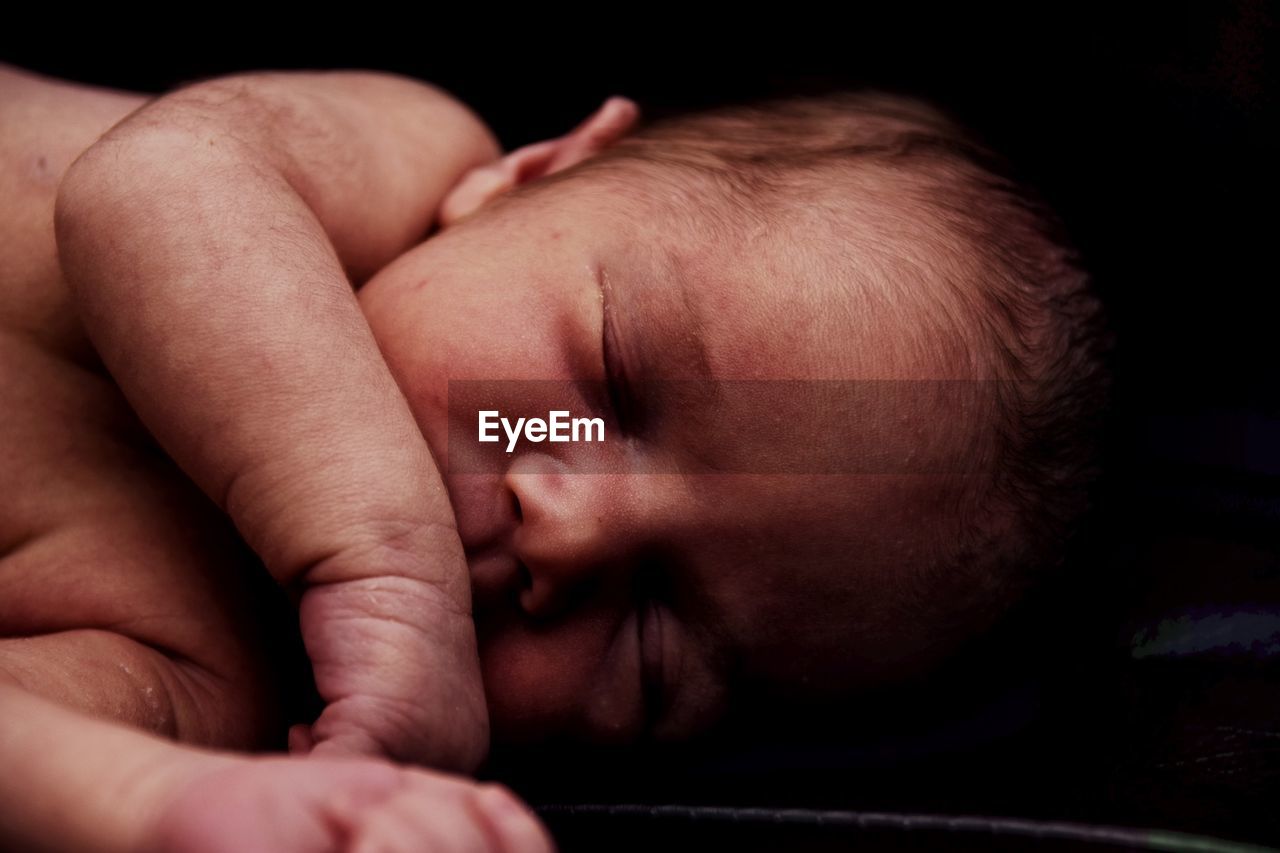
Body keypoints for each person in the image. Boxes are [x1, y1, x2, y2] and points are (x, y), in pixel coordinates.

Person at [0, 62, 1109, 852]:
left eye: (655, 647)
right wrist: (385, 570)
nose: (569, 534)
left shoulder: (200, 682)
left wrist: (158, 805)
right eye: (616, 386)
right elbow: (151, 183)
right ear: (535, 175)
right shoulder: (408, 160)